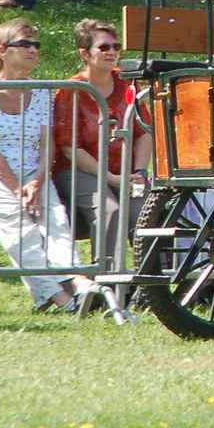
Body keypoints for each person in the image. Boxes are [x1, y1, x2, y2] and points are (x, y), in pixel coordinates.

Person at [0, 19, 98, 313]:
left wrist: (37, 183)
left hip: (33, 170)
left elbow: (47, 143)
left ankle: (80, 282)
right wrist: (18, 189)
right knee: (19, 230)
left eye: (36, 45)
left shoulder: (40, 90)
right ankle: (60, 298)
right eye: (25, 44)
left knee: (57, 222)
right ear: (2, 50)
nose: (33, 50)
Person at [52, 18, 149, 275]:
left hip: (124, 170)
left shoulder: (128, 83)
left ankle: (152, 285)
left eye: (116, 47)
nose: (113, 53)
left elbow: (144, 132)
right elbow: (70, 149)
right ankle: (109, 280)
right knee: (110, 209)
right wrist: (112, 179)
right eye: (104, 48)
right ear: (85, 53)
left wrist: (140, 172)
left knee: (147, 210)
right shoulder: (70, 90)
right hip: (78, 170)